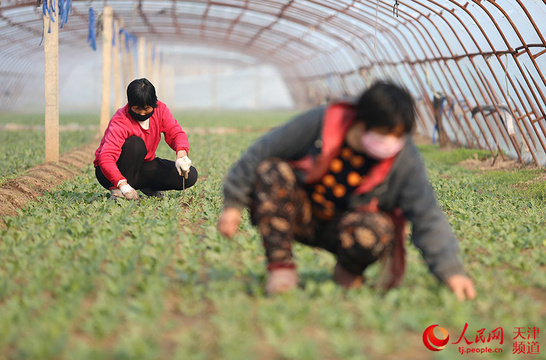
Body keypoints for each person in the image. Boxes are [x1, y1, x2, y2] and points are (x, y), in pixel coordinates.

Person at [217, 81, 476, 301]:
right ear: (362, 122)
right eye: (385, 133)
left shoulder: (403, 158)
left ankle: (349, 271)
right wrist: (233, 204)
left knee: (379, 228)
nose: (390, 143)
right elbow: (259, 153)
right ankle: (281, 268)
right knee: (272, 170)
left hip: (348, 226)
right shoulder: (322, 122)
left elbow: (426, 213)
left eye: (398, 136)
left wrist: (451, 270)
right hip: (300, 215)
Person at [94, 78, 198, 200]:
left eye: (147, 108)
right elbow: (106, 157)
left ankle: (144, 185)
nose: (142, 113)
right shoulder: (121, 120)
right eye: (138, 109)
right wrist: (122, 184)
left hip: (142, 166)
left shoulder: (161, 110)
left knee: (190, 176)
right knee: (135, 144)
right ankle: (118, 191)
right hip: (110, 173)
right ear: (129, 104)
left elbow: (176, 133)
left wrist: (181, 154)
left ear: (154, 103)